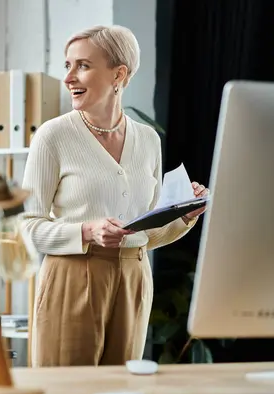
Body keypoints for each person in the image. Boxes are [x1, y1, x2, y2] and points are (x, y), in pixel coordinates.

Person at [19, 25, 209, 367]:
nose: (69, 78)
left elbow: (144, 233)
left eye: (83, 66)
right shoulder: (53, 136)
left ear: (118, 74)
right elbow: (27, 225)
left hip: (134, 278)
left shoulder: (149, 140)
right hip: (72, 276)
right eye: (68, 65)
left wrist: (182, 216)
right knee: (68, 389)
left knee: (121, 388)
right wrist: (87, 232)